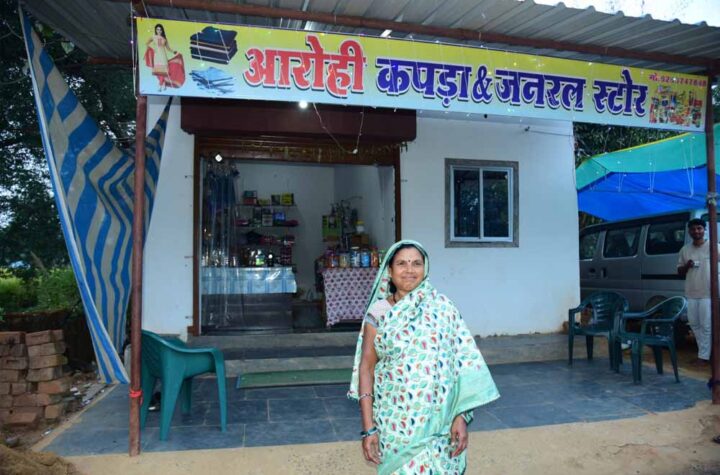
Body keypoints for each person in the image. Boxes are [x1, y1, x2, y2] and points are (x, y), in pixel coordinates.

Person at [348, 240, 500, 474]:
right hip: (394, 422)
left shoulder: (443, 308)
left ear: (425, 268)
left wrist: (460, 417)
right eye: (402, 263)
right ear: (389, 271)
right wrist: (369, 428)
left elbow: (461, 366)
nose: (409, 270)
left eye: (416, 263)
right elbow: (366, 368)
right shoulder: (378, 312)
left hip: (441, 424)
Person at [677, 218, 717, 367]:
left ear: (704, 230)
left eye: (699, 228)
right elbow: (679, 272)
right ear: (689, 231)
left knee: (706, 326)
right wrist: (687, 265)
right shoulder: (685, 250)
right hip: (691, 292)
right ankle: (705, 353)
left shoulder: (714, 246)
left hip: (708, 293)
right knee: (694, 324)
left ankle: (703, 357)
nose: (696, 231)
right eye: (693, 229)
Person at [144, 24, 185, 90]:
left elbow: (168, 48)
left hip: (163, 56)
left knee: (164, 72)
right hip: (156, 57)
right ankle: (163, 83)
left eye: (160, 29)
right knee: (158, 72)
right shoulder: (153, 37)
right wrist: (151, 49)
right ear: (155, 30)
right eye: (157, 29)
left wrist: (175, 52)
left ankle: (161, 84)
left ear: (162, 30)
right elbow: (146, 43)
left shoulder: (164, 39)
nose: (159, 31)